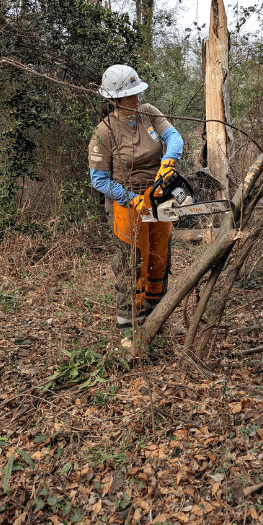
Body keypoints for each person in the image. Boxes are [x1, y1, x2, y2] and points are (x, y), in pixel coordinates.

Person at [88, 64, 183, 350]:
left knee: (159, 257)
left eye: (136, 94)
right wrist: (131, 198)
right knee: (132, 263)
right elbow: (98, 179)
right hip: (126, 202)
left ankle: (156, 316)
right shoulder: (104, 132)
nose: (135, 100)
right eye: (129, 97)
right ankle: (129, 326)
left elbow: (174, 137)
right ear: (115, 100)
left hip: (159, 193)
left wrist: (169, 160)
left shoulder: (149, 112)